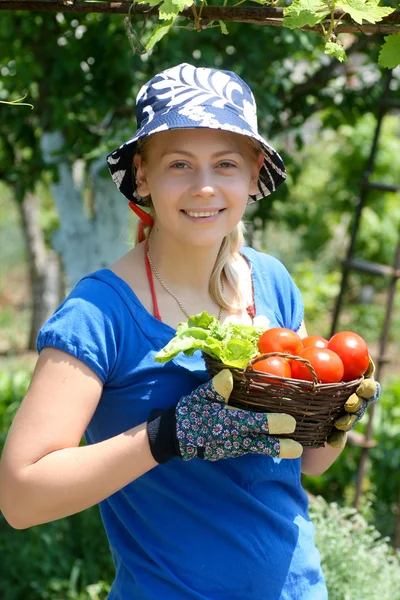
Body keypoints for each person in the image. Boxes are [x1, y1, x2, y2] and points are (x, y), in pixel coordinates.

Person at [0, 63, 380, 599]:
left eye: (225, 164)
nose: (204, 187)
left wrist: (333, 415)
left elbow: (309, 462)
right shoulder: (101, 313)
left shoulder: (270, 282)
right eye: (180, 164)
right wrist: (168, 435)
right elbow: (21, 499)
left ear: (253, 175)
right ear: (144, 175)